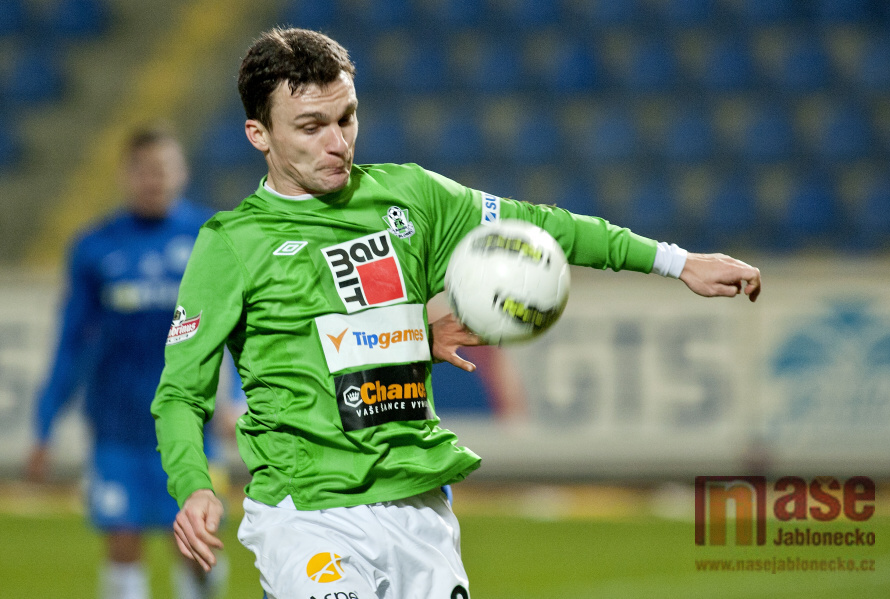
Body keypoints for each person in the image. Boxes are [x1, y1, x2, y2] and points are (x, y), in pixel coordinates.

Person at [152, 28, 761, 599]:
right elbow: (181, 393)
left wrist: (676, 262)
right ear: (259, 134)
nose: (337, 143)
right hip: (306, 514)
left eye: (347, 118)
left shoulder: (410, 198)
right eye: (311, 126)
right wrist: (193, 484)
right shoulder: (232, 244)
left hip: (419, 506)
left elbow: (540, 227)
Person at [26, 125, 237, 599]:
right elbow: (71, 343)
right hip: (117, 426)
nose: (153, 179)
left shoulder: (211, 237)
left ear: (182, 173)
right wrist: (44, 425)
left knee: (194, 546)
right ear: (125, 175)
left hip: (190, 425)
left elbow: (242, 327)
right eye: (143, 170)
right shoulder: (95, 246)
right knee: (122, 540)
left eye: (163, 169)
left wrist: (240, 399)